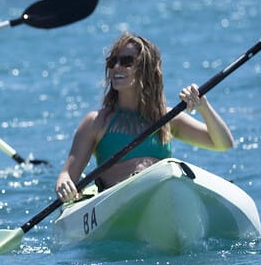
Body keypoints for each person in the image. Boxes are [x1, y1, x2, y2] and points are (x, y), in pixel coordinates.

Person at [54, 32, 234, 202]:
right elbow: (68, 175)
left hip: (161, 199)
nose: (116, 67)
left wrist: (204, 106)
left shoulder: (168, 118)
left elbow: (223, 144)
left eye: (126, 61)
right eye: (112, 61)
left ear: (145, 69)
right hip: (114, 204)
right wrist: (64, 184)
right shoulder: (96, 122)